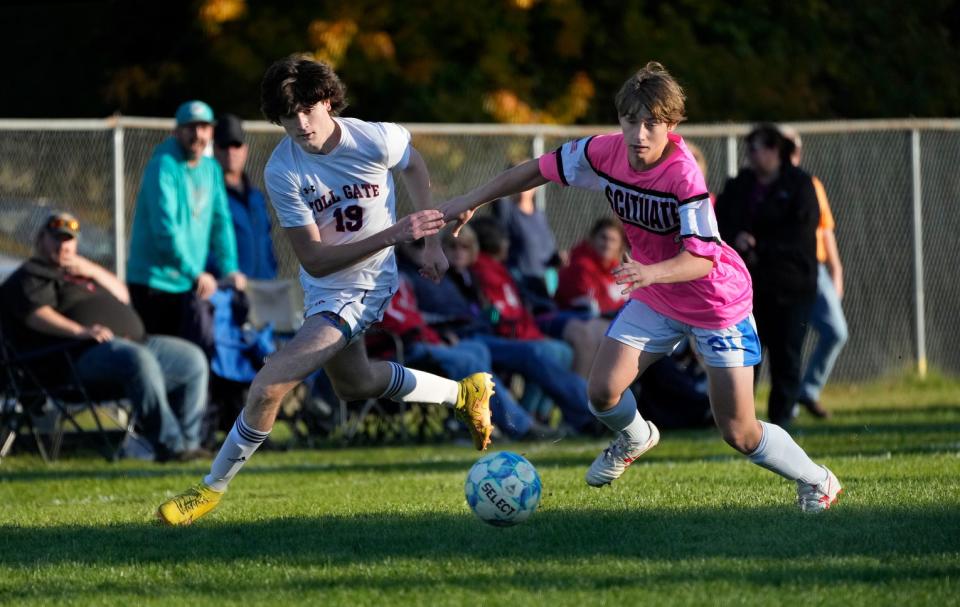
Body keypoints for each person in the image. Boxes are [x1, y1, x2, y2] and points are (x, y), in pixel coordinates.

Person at [441, 62, 841, 512]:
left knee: (739, 432)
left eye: (652, 123)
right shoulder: (603, 152)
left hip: (714, 302)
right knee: (602, 393)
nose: (640, 133)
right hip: (657, 293)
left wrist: (650, 273)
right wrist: (470, 201)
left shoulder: (683, 176)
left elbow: (702, 256)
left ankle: (818, 480)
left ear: (671, 125)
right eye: (631, 120)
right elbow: (535, 170)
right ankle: (636, 435)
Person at [157, 56, 495, 525]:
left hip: (366, 286)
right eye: (285, 116)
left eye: (306, 110)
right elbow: (314, 258)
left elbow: (413, 165)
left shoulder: (374, 138)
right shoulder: (282, 170)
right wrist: (397, 233)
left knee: (268, 385)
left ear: (328, 101)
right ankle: (463, 395)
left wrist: (430, 241)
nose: (299, 124)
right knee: (354, 384)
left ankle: (208, 490)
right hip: (323, 287)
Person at [0, 212, 210, 462]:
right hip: (76, 358)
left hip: (135, 343)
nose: (63, 246)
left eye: (68, 240)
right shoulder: (31, 274)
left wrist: (92, 269)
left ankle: (189, 444)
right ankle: (170, 445)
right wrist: (81, 331)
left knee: (192, 359)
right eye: (56, 239)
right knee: (139, 360)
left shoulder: (82, 272)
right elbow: (36, 314)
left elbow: (122, 295)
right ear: (41, 239)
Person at [715, 124, 821, 428]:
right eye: (749, 148)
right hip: (748, 288)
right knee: (748, 356)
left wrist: (762, 245)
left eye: (757, 147)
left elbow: (801, 233)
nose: (752, 154)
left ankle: (780, 422)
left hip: (791, 287)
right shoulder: (739, 186)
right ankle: (743, 422)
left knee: (786, 355)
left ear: (776, 151)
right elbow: (720, 221)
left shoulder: (799, 185)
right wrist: (737, 238)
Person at [126, 100, 247, 347]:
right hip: (154, 283)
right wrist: (195, 273)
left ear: (211, 132)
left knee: (192, 359)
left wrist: (229, 269)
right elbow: (164, 230)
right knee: (164, 361)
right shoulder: (163, 166)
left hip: (187, 284)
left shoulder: (211, 168)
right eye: (190, 127)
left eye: (203, 127)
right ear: (176, 131)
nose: (197, 134)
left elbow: (220, 222)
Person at [781, 127, 848, 419]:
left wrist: (836, 268)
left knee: (836, 331)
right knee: (787, 339)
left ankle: (808, 391)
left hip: (815, 270)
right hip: (783, 271)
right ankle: (787, 405)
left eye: (793, 148)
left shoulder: (810, 183)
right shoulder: (767, 185)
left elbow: (825, 229)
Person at [211, 113, 279, 280]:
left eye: (236, 145)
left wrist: (271, 270)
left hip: (263, 289)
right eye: (224, 146)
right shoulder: (208, 195)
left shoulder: (256, 196)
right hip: (226, 290)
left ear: (245, 150)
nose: (230, 151)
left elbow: (266, 240)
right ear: (214, 149)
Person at [555, 217, 629, 317]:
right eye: (604, 238)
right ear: (593, 239)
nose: (608, 244)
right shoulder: (581, 267)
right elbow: (593, 306)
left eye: (613, 240)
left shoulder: (620, 272)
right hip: (573, 319)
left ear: (620, 245)